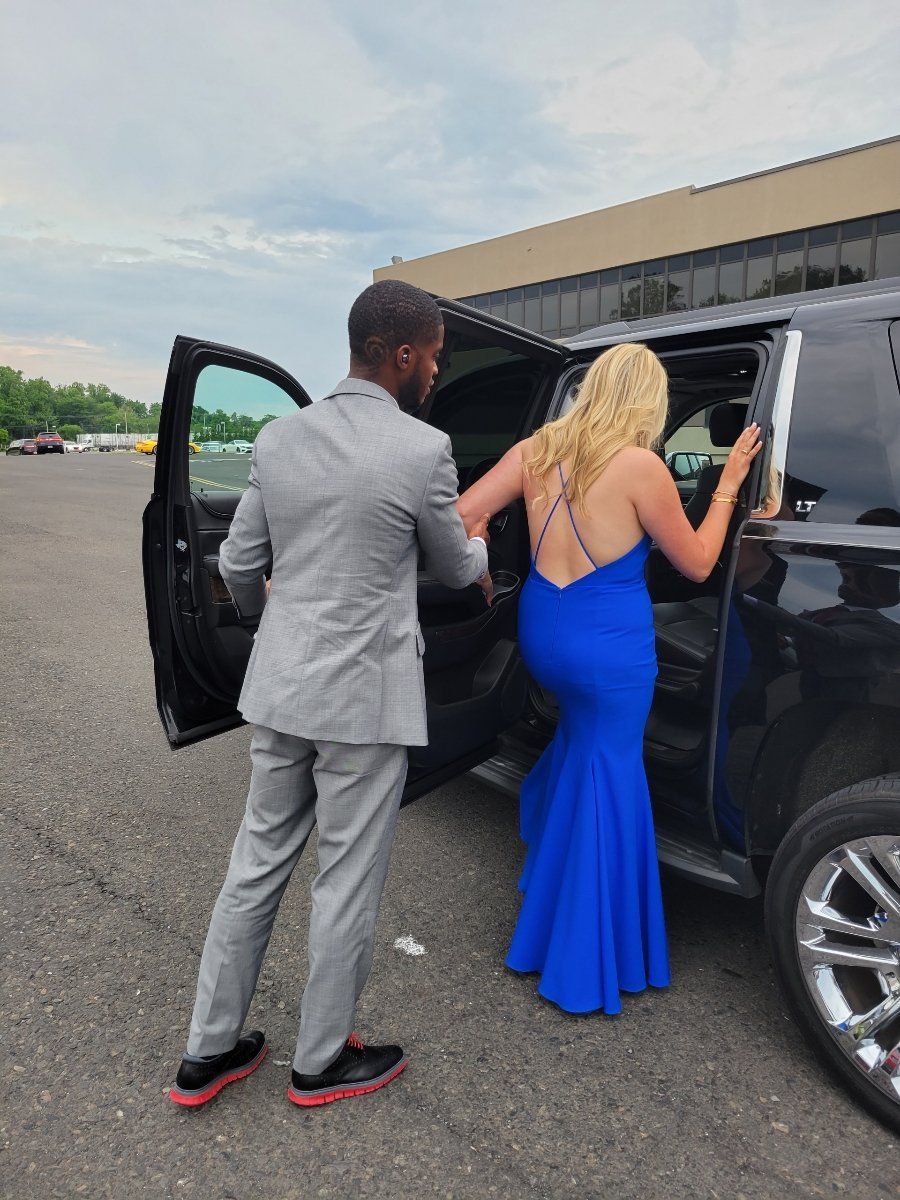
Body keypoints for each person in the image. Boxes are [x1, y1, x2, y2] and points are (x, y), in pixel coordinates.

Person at [169, 280, 491, 1108]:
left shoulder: (280, 438)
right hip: (367, 704)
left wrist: (267, 620)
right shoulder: (424, 449)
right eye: (435, 356)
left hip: (283, 689)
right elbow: (454, 566)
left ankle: (207, 1051)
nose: (436, 372)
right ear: (404, 354)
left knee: (254, 866)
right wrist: (485, 549)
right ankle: (318, 1062)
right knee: (345, 880)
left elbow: (238, 564)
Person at [457, 343, 762, 1014]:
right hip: (607, 648)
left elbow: (461, 515)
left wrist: (478, 575)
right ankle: (580, 959)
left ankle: (554, 888)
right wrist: (729, 486)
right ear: (648, 401)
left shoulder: (536, 450)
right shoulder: (641, 466)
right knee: (611, 774)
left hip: (545, 632)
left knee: (578, 745)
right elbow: (698, 563)